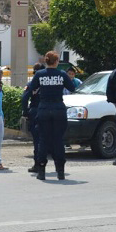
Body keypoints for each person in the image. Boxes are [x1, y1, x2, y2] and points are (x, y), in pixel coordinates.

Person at [26, 51, 76, 180]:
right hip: (58, 109)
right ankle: (60, 171)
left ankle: (41, 171)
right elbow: (72, 88)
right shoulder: (62, 74)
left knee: (43, 139)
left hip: (43, 109)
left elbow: (31, 88)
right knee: (58, 140)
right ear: (56, 62)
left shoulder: (39, 74)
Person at [22, 62, 46, 173]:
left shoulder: (31, 84)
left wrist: (25, 112)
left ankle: (38, 164)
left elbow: (24, 98)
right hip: (47, 112)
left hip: (35, 112)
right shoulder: (48, 84)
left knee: (37, 140)